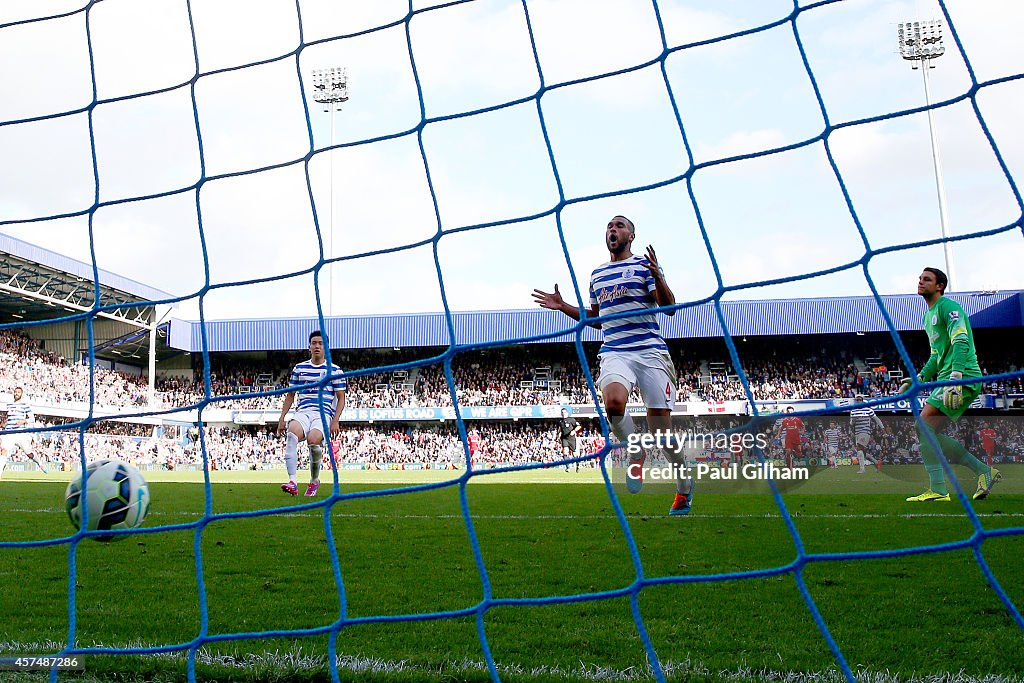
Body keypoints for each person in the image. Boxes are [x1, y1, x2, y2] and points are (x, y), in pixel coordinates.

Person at [533, 215, 691, 515]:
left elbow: (669, 308)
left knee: (662, 432)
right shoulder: (598, 274)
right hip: (615, 351)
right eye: (609, 226)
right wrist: (564, 305)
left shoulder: (644, 267)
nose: (612, 229)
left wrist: (659, 276)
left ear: (631, 235)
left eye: (619, 225)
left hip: (650, 352)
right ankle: (635, 450)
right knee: (614, 405)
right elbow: (596, 319)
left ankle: (684, 486)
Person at [899, 268, 999, 502]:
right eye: (920, 279)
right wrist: (919, 378)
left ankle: (940, 489)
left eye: (927, 279)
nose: (921, 282)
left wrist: (957, 375)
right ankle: (983, 472)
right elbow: (936, 355)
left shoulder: (949, 307)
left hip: (961, 376)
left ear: (940, 286)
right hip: (946, 378)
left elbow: (961, 340)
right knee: (927, 431)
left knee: (923, 426)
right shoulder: (928, 316)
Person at [277, 330, 347, 497]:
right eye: (314, 343)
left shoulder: (335, 371)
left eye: (321, 343)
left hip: (322, 414)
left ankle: (314, 481)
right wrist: (282, 418)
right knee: (292, 432)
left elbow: (341, 398)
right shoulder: (299, 368)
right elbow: (291, 395)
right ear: (309, 347)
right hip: (303, 411)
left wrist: (336, 421)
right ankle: (293, 481)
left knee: (313, 440)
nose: (317, 346)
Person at [0, 386, 48, 478]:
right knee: (3, 451)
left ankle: (40, 463)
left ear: (21, 394)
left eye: (18, 392)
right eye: (15, 392)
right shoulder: (9, 404)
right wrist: (4, 423)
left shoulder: (24, 405)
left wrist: (23, 421)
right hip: (9, 433)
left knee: (29, 453)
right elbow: (8, 418)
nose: (16, 393)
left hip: (19, 433)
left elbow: (32, 418)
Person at [850, 395, 884, 474]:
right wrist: (854, 421)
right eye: (857, 400)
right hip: (857, 433)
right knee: (862, 452)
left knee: (859, 448)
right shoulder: (853, 411)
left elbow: (876, 419)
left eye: (860, 399)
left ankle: (862, 469)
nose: (858, 401)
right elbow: (851, 423)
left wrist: (882, 427)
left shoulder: (868, 410)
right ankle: (876, 462)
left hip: (865, 431)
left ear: (862, 400)